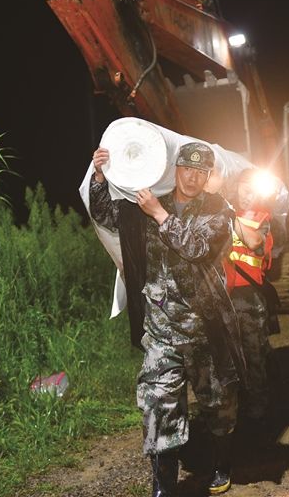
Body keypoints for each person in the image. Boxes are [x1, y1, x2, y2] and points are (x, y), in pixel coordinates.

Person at [89, 142, 242, 496]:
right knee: (158, 406)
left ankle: (222, 463)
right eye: (188, 168)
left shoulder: (218, 211)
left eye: (201, 172)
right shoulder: (150, 204)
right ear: (175, 169)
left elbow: (197, 250)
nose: (193, 177)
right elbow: (108, 216)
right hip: (160, 328)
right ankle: (163, 486)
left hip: (205, 328)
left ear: (207, 177)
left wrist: (160, 215)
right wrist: (100, 176)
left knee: (218, 402)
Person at [224, 168, 273, 421]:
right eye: (244, 187)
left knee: (253, 354)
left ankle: (258, 409)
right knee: (228, 357)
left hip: (248, 298)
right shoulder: (219, 213)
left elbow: (254, 242)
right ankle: (233, 406)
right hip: (223, 297)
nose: (247, 193)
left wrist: (229, 215)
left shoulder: (261, 218)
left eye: (252, 188)